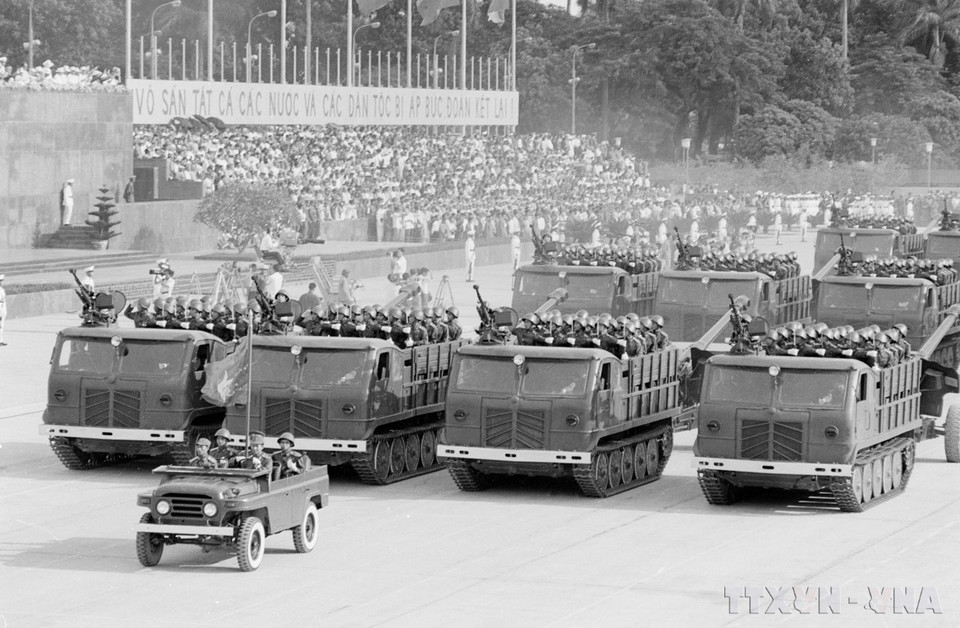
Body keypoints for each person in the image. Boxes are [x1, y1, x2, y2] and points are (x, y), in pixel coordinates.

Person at [0, 274, 6, 346]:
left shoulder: (2, 289)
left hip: (2, 307)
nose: (1, 282)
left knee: (1, 325)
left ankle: (0, 340)